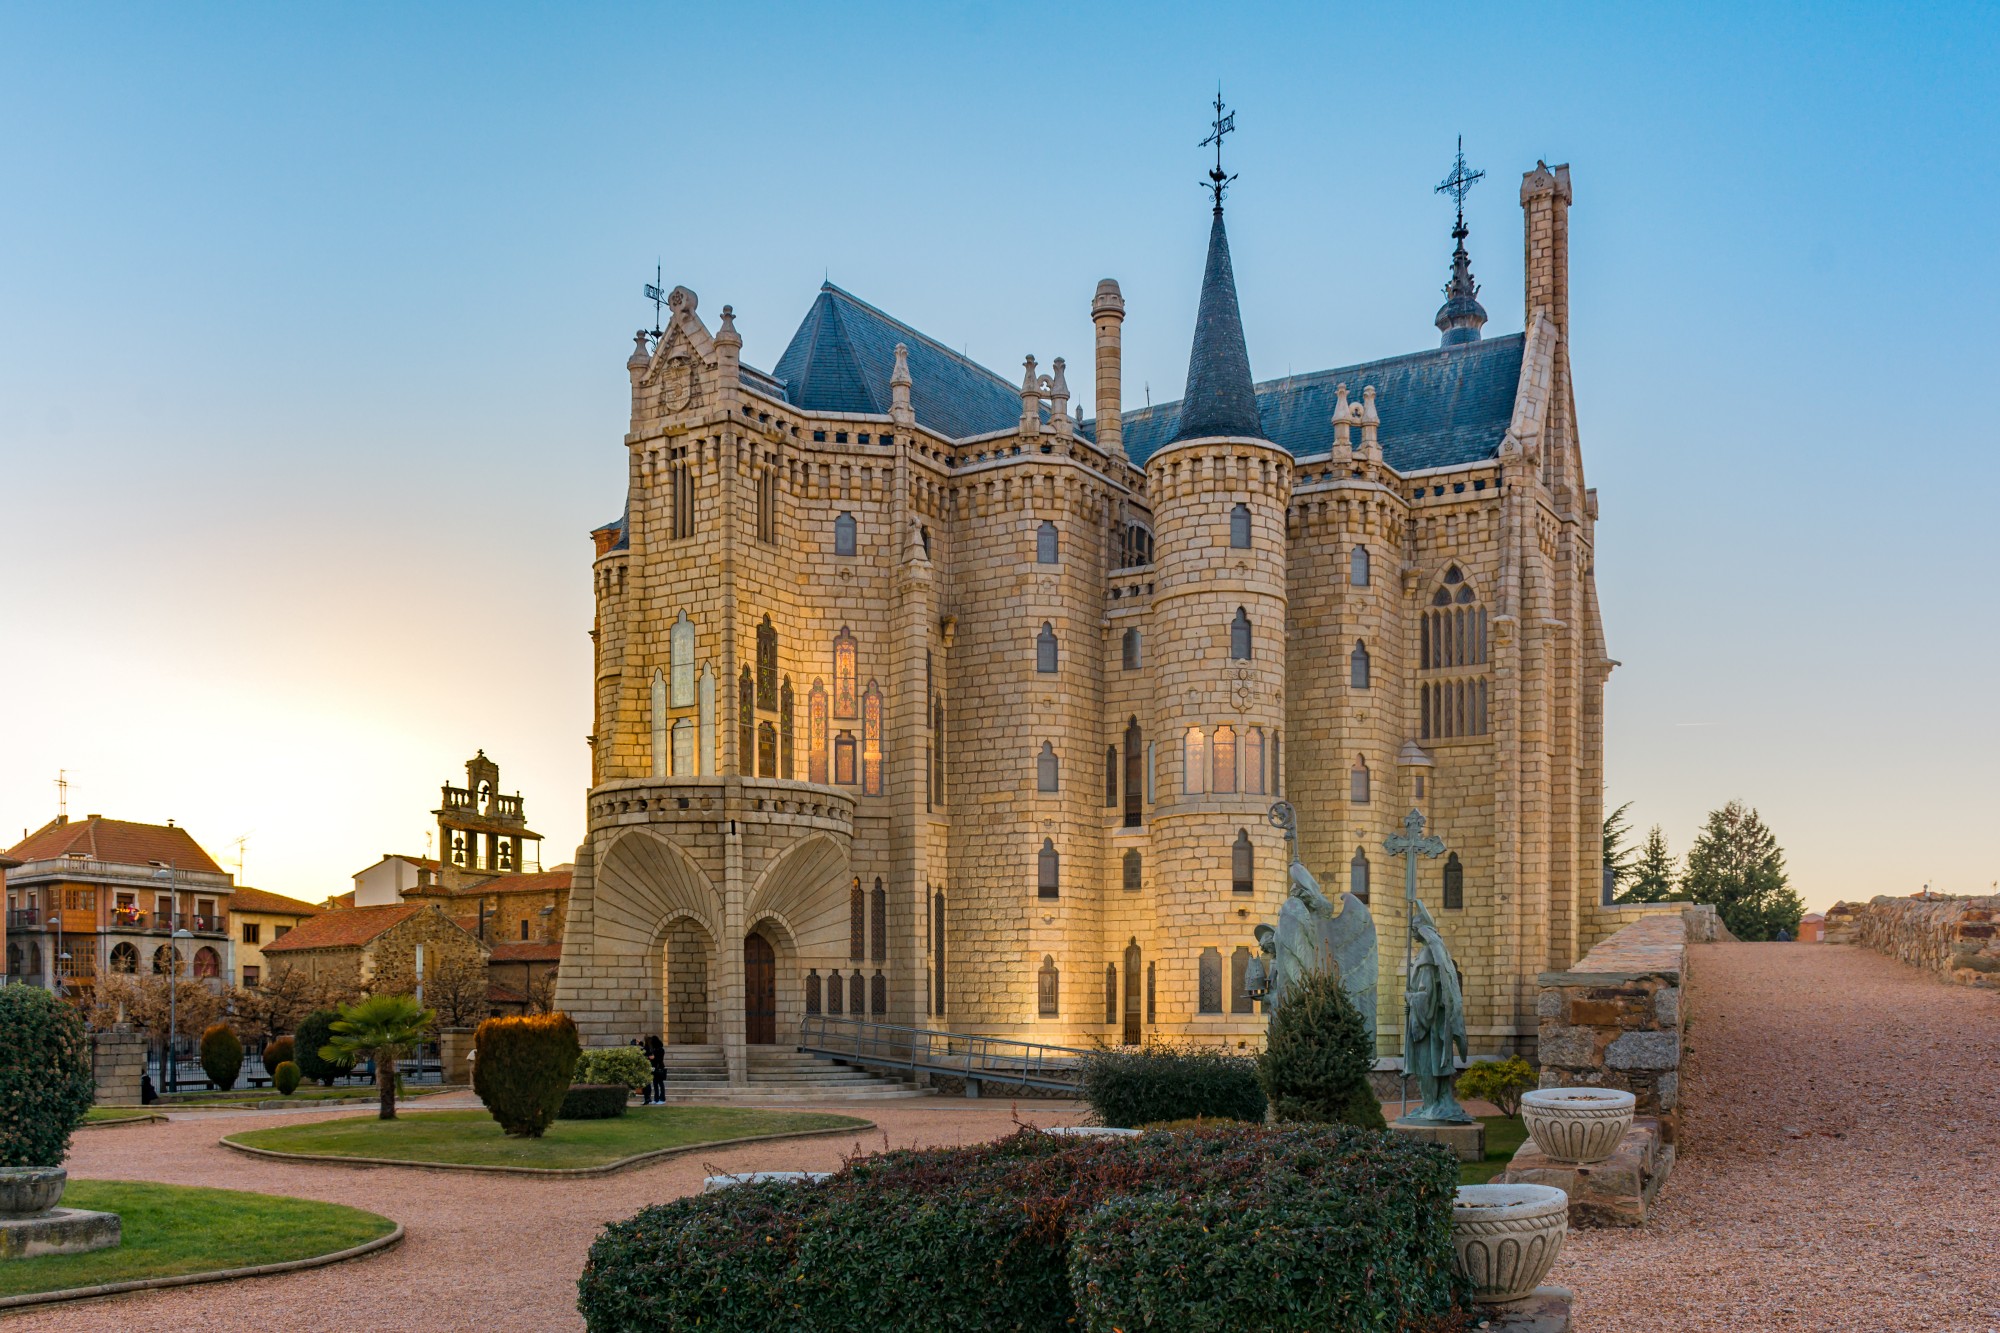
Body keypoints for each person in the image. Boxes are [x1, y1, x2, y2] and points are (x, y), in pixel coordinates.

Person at [645, 1034, 667, 1105]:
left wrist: (654, 1058)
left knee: (660, 1084)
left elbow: (660, 1059)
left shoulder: (661, 1049)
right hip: (654, 1068)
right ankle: (656, 1098)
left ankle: (662, 1098)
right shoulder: (654, 1049)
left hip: (659, 1068)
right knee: (655, 1084)